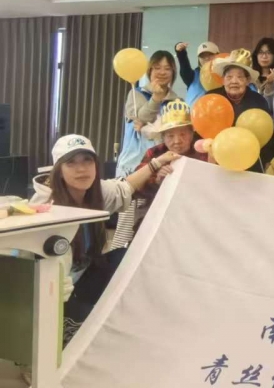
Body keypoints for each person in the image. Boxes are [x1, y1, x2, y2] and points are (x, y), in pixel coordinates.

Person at [31, 134, 180, 343]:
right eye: (71, 163)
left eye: (87, 160)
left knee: (125, 257)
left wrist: (157, 163)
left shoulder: (94, 192)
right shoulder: (45, 209)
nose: (81, 169)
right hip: (49, 292)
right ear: (58, 170)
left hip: (81, 277)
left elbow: (125, 187)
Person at [209, 49, 274, 171]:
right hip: (217, 160)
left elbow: (268, 133)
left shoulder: (259, 101)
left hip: (251, 161)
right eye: (229, 77)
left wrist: (267, 160)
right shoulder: (211, 99)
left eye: (240, 77)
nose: (234, 81)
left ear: (247, 81)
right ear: (223, 79)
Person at [135, 100, 208, 213]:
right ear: (163, 137)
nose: (177, 141)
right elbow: (136, 184)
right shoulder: (154, 153)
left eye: (183, 134)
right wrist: (157, 180)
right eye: (170, 136)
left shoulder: (203, 151)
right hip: (159, 210)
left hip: (196, 210)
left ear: (191, 134)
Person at [117, 49, 179, 176]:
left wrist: (148, 129)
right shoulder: (136, 94)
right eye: (157, 68)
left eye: (167, 69)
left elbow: (174, 133)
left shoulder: (176, 101)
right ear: (150, 71)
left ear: (173, 73)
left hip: (163, 163)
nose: (162, 72)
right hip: (134, 163)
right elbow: (142, 118)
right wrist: (156, 98)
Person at [175, 41, 219, 106]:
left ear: (218, 55)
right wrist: (181, 53)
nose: (206, 58)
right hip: (193, 112)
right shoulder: (192, 76)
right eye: (202, 56)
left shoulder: (224, 75)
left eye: (210, 54)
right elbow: (184, 67)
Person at [252, 37, 274, 109]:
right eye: (260, 52)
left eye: (268, 53)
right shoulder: (250, 77)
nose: (264, 56)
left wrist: (270, 85)